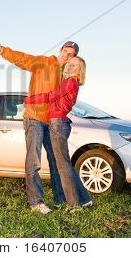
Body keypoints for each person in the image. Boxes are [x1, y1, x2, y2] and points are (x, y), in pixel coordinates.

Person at [0, 37, 80, 214]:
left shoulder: (66, 75)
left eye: (71, 55)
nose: (66, 56)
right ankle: (36, 202)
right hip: (34, 118)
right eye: (65, 52)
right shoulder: (43, 62)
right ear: (60, 50)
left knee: (55, 161)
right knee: (34, 161)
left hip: (52, 122)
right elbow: (23, 59)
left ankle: (60, 199)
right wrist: (1, 49)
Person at [24, 56, 93, 210]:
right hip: (57, 122)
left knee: (63, 166)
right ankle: (82, 200)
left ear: (80, 70)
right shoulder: (68, 82)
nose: (69, 66)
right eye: (68, 63)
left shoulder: (70, 82)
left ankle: (74, 205)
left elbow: (51, 96)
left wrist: (30, 100)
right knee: (63, 164)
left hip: (57, 123)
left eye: (74, 65)